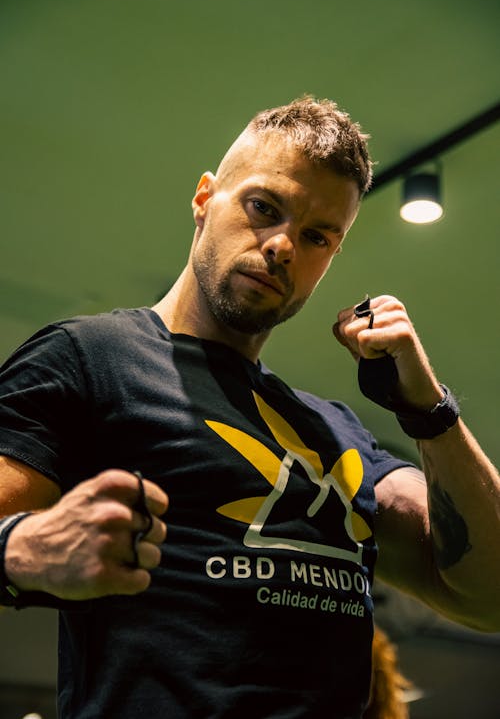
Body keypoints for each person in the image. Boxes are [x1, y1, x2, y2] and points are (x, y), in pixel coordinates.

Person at [0, 96, 498, 719]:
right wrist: (21, 551)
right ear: (205, 198)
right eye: (264, 208)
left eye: (318, 236)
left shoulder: (337, 433)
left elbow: (489, 596)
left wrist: (429, 410)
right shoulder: (87, 358)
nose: (285, 245)